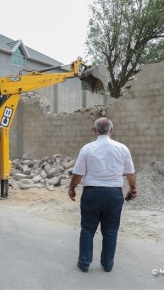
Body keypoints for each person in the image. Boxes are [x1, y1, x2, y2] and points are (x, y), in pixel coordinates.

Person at [68, 117, 137, 273]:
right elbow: (130, 173)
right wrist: (133, 188)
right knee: (111, 231)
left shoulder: (87, 148)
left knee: (87, 229)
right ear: (111, 131)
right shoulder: (122, 148)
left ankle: (84, 263)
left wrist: (72, 188)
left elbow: (78, 173)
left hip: (91, 194)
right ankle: (107, 264)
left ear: (95, 130)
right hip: (114, 195)